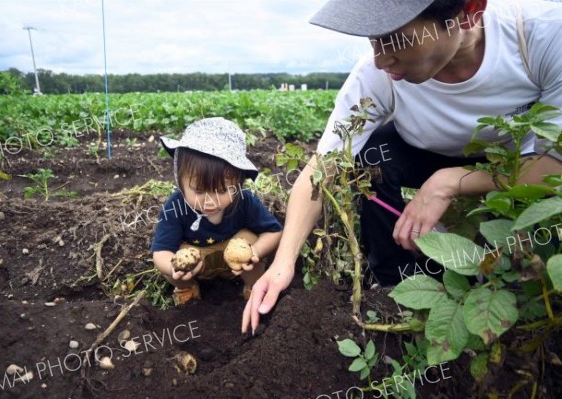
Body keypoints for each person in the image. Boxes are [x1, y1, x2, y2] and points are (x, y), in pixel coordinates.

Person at [242, 0, 562, 333]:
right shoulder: (376, 75)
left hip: (513, 159)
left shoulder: (542, 35)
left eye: (396, 39)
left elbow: (555, 166)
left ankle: (497, 283)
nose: (381, 59)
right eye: (374, 40)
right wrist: (282, 264)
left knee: (510, 260)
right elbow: (322, 168)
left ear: (468, 12)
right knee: (371, 157)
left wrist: (451, 182)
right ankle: (391, 286)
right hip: (423, 149)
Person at [151, 117, 282, 305]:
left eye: (221, 191)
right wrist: (174, 270)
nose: (210, 200)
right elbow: (161, 251)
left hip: (237, 265)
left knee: (251, 239)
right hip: (197, 265)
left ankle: (253, 287)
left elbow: (274, 232)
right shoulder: (175, 207)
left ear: (238, 183)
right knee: (174, 260)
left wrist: (255, 252)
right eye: (198, 190)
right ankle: (186, 288)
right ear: (180, 183)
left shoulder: (244, 199)